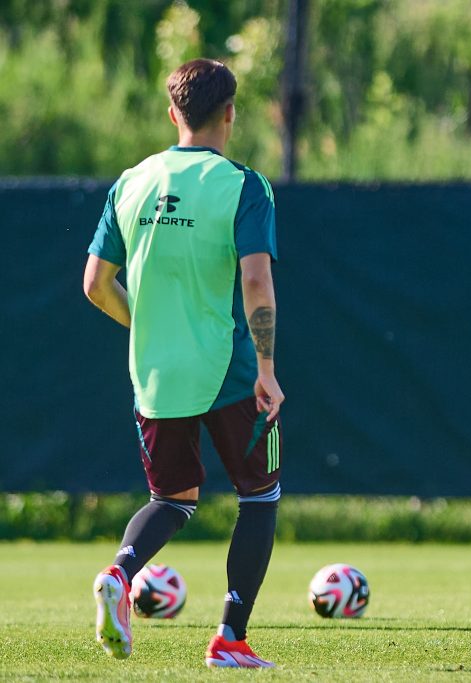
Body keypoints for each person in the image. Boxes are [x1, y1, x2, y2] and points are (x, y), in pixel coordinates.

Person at [84, 58, 285, 667]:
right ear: (231, 113)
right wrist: (267, 367)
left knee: (172, 498)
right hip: (229, 370)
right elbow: (256, 280)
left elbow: (95, 284)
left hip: (154, 372)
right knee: (260, 495)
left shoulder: (131, 182)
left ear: (173, 113)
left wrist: (147, 326)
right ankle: (230, 638)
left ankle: (120, 574)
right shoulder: (244, 185)